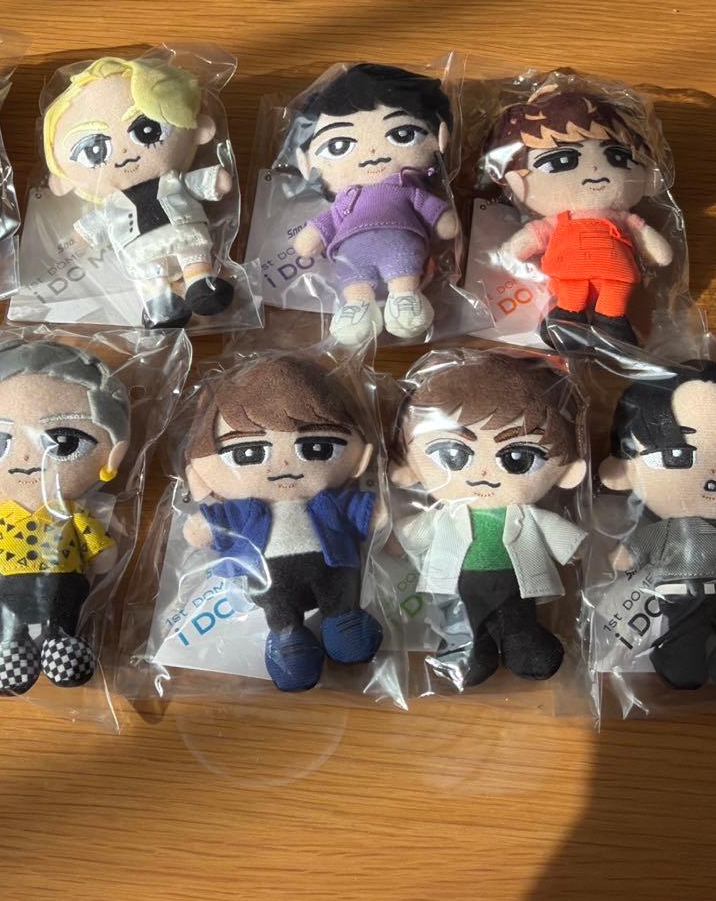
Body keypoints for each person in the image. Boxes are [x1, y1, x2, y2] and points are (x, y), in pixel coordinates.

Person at [181, 356, 382, 692]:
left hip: (331, 570)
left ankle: (343, 621)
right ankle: (289, 641)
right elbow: (213, 524)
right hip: (271, 580)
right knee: (279, 611)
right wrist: (204, 526)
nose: (285, 463)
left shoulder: (328, 500)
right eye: (248, 453)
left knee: (340, 601)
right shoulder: (244, 510)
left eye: (317, 447)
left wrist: (379, 512)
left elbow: (365, 510)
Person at [0, 339, 130, 696]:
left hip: (62, 578)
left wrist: (101, 551)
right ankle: (8, 645)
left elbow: (96, 544)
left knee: (64, 608)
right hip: (2, 580)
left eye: (65, 442)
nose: (29, 457)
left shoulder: (71, 510)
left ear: (112, 456)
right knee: (1, 615)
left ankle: (62, 638)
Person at [392, 350, 587, 688]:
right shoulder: (445, 515)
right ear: (410, 466)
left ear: (565, 470)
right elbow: (411, 536)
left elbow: (560, 535)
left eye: (518, 457)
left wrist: (576, 548)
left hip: (516, 583)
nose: (483, 473)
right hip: (461, 583)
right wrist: (395, 540)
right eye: (452, 455)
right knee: (465, 621)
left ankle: (522, 642)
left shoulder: (527, 514)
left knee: (519, 619)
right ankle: (470, 649)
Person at [600, 360, 716, 698]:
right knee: (686, 634)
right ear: (624, 468)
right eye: (676, 455)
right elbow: (636, 548)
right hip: (684, 594)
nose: (712, 477)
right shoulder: (670, 529)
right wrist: (627, 553)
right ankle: (678, 656)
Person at [43, 56, 235, 329]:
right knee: (152, 276)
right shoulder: (113, 204)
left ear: (198, 129)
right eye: (94, 151)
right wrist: (77, 239)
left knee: (192, 257)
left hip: (182, 234)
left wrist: (213, 179)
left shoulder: (173, 182)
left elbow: (196, 183)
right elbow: (97, 222)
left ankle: (201, 284)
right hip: (142, 249)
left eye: (147, 130)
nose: (123, 152)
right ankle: (162, 306)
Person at [484, 80, 673, 347]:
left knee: (614, 301)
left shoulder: (622, 218)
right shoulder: (558, 221)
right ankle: (567, 321)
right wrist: (513, 252)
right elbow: (532, 237)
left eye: (618, 157)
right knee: (571, 297)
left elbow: (653, 246)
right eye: (561, 161)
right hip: (570, 274)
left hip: (616, 275)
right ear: (516, 178)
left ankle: (611, 327)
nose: (595, 171)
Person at [288, 63, 459, 344]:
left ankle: (405, 298)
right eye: (338, 146)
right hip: (353, 252)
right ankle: (358, 308)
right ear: (307, 163)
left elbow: (444, 223)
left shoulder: (405, 189)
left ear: (438, 139)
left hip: (400, 244)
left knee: (403, 264)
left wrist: (444, 220)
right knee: (354, 277)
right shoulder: (345, 200)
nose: (371, 152)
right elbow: (320, 229)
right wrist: (311, 236)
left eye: (402, 134)